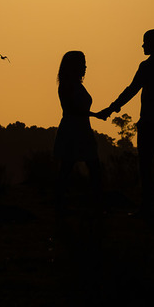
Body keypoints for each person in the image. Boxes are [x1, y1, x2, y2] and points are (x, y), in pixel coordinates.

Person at [102, 29, 154, 216]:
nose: (142, 46)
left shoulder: (146, 66)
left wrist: (112, 107)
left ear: (153, 43)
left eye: (145, 42)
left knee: (145, 166)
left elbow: (132, 90)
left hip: (149, 122)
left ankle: (147, 206)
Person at [53, 50, 111, 215]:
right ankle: (63, 204)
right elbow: (72, 109)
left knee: (86, 168)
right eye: (82, 64)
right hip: (73, 131)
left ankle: (94, 204)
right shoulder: (67, 85)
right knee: (73, 168)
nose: (85, 67)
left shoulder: (75, 85)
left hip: (82, 130)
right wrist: (95, 115)